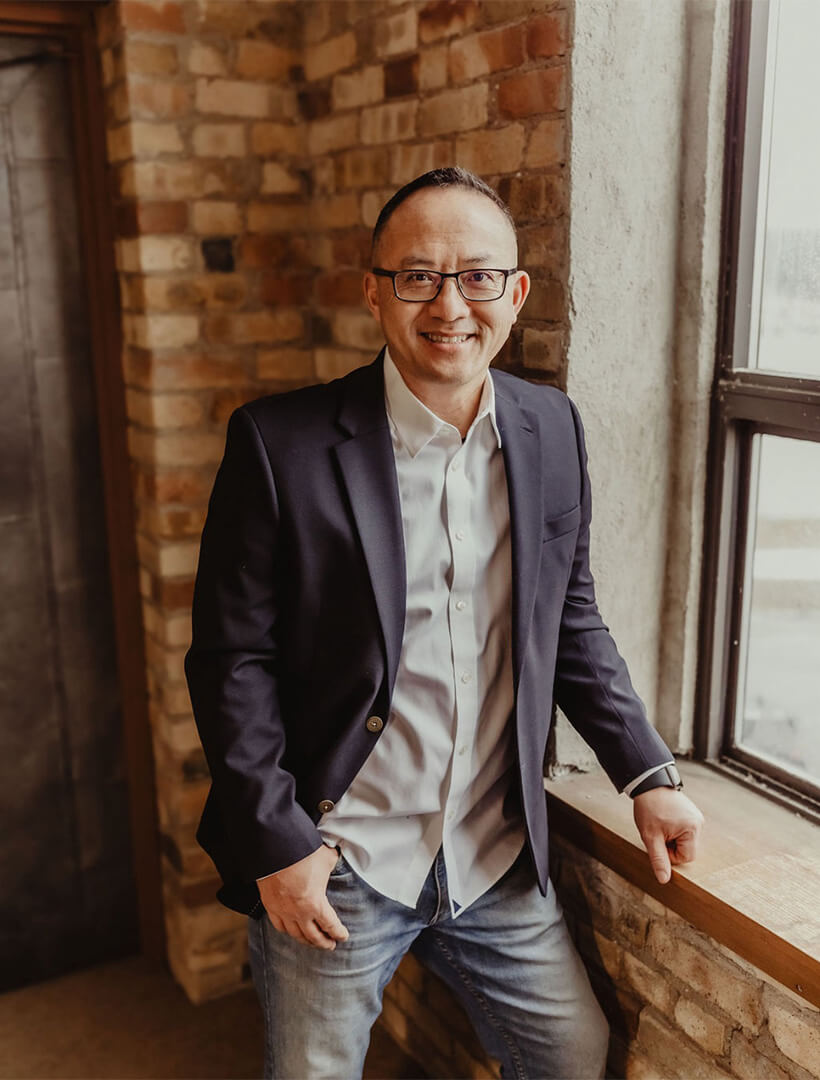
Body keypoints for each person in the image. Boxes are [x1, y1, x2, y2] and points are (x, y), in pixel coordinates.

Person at [185, 167, 704, 1080]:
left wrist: (648, 771)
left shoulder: (552, 430)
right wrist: (276, 841)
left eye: (477, 276)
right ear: (374, 292)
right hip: (338, 853)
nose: (450, 304)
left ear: (517, 292)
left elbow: (570, 620)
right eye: (418, 275)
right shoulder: (281, 443)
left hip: (491, 851)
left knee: (572, 1057)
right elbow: (234, 661)